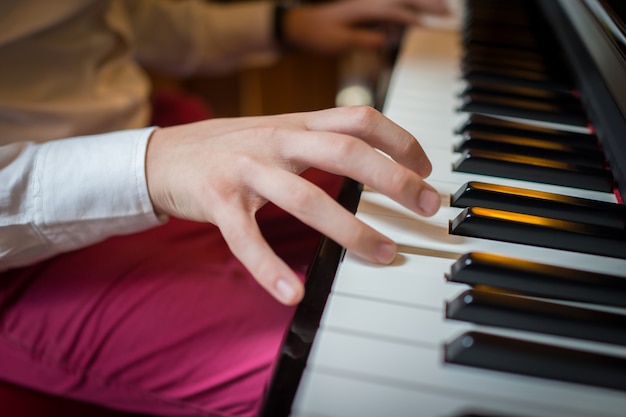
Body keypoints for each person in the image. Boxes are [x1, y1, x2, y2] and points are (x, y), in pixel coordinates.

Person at [0, 0, 448, 416]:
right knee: (370, 374)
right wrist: (149, 166)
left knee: (417, 195)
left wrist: (283, 24)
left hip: (151, 137)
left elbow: (113, 16)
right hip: (32, 254)